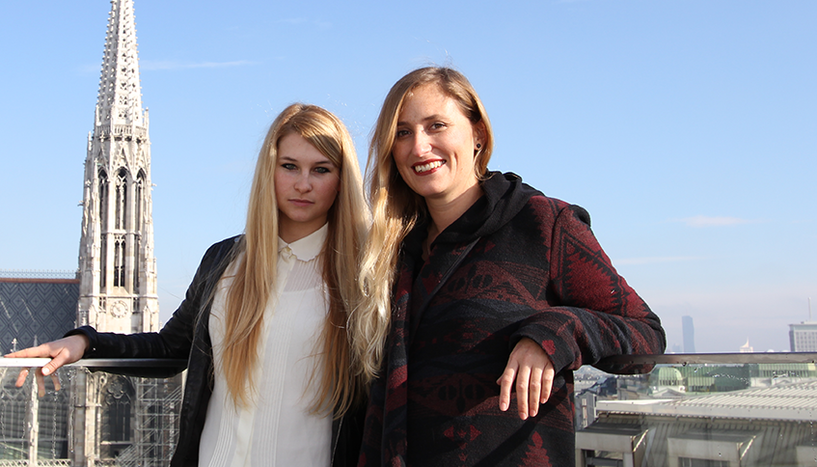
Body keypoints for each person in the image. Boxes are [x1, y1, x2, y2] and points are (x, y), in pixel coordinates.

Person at [6, 103, 369, 467]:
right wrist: (84, 342)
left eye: (321, 169)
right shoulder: (224, 261)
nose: (303, 184)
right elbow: (169, 348)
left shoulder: (361, 274)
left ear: (342, 179)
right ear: (268, 171)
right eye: (289, 166)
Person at [349, 67, 666, 466]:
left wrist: (556, 333)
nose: (419, 147)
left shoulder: (542, 225)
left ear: (478, 133)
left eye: (437, 126)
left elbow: (647, 338)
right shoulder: (392, 251)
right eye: (403, 132)